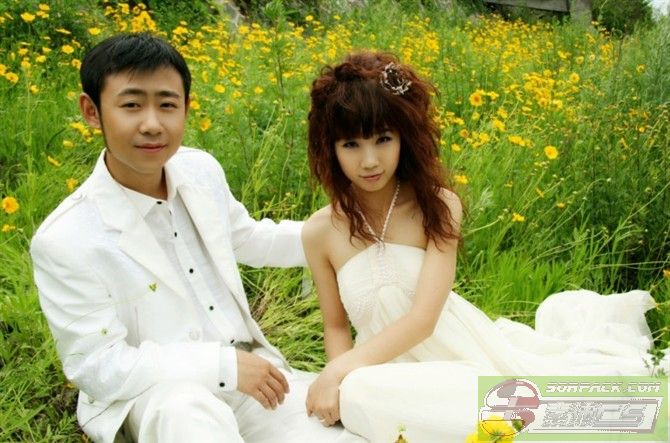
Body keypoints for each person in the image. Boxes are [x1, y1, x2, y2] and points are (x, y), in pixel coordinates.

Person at [301, 51, 669, 441]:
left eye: (383, 139)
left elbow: (423, 320)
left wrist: (337, 372)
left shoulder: (438, 205)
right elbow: (335, 325)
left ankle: (569, 414)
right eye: (351, 144)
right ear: (330, 147)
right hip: (385, 375)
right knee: (360, 391)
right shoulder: (319, 232)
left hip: (460, 360)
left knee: (418, 397)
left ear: (405, 137)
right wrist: (341, 381)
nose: (370, 160)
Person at [30, 33, 363, 443]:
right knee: (186, 413)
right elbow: (98, 366)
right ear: (92, 111)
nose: (152, 124)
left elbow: (249, 238)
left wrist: (350, 230)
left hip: (254, 377)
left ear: (186, 108)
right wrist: (221, 366)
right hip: (160, 395)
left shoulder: (199, 170)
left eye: (167, 105)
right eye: (131, 105)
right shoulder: (66, 238)